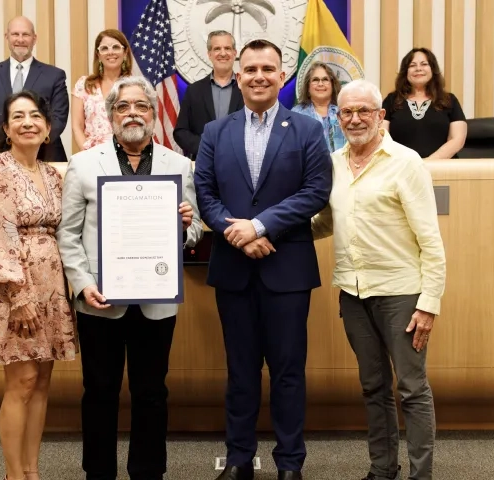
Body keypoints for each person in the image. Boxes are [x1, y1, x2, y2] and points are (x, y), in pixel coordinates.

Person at [193, 39, 332, 480]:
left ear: (282, 76)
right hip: (234, 269)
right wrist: (239, 235)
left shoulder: (307, 130)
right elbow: (205, 193)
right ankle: (239, 461)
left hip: (286, 269)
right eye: (250, 69)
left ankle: (290, 464)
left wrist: (260, 225)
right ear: (238, 76)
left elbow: (315, 192)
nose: (258, 76)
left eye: (267, 69)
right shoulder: (217, 131)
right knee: (240, 373)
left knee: (288, 373)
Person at [57, 75, 204, 480]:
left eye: (142, 106)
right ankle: (98, 473)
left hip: (155, 301)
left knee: (152, 394)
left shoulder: (179, 165)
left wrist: (186, 224)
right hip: (99, 299)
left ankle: (148, 471)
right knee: (99, 393)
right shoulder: (84, 164)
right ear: (110, 116)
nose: (133, 113)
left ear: (155, 116)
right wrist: (83, 283)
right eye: (124, 107)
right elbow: (67, 234)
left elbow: (193, 233)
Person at [311, 79, 446, 480]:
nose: (355, 119)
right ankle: (382, 469)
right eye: (347, 112)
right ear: (338, 117)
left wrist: (429, 303)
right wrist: (273, 229)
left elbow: (431, 240)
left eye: (363, 111)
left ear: (380, 115)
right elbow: (326, 223)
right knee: (373, 387)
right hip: (352, 294)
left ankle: (421, 475)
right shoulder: (333, 162)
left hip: (401, 295)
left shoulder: (406, 162)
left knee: (411, 389)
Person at [0, 90, 77, 480]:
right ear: (6, 129)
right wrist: (20, 296)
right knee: (22, 380)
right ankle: (14, 475)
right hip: (15, 290)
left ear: (48, 129)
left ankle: (32, 471)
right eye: (18, 117)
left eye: (35, 116)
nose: (27, 122)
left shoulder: (51, 173)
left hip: (51, 288)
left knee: (42, 382)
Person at [0, 16, 69, 162]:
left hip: (44, 155)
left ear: (34, 39)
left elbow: (58, 118)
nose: (20, 39)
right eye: (15, 34)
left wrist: (31, 143)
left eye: (26, 34)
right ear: (7, 37)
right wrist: (6, 142)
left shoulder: (54, 75)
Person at [383, 47, 466, 159]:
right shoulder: (391, 100)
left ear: (432, 69)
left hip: (441, 169)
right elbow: (382, 137)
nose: (418, 69)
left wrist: (428, 163)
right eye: (412, 65)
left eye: (424, 64)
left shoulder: (449, 100)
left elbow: (457, 139)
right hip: (401, 169)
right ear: (405, 72)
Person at [173, 30, 244, 159]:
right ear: (209, 54)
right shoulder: (194, 90)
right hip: (203, 164)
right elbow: (180, 132)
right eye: (217, 49)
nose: (223, 53)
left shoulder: (247, 89)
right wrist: (206, 147)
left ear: (235, 53)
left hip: (240, 163)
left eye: (227, 48)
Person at [71, 29, 133, 152]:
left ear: (125, 52)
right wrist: (88, 154)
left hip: (128, 154)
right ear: (98, 55)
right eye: (104, 48)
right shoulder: (84, 85)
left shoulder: (135, 85)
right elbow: (77, 126)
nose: (110, 52)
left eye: (116, 47)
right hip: (92, 155)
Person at [291, 61, 345, 152]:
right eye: (315, 80)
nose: (320, 84)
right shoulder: (296, 114)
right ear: (308, 87)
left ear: (332, 85)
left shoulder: (344, 112)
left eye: (325, 79)